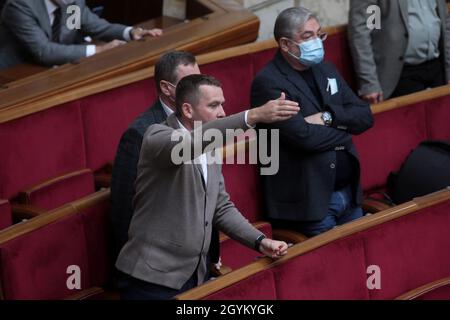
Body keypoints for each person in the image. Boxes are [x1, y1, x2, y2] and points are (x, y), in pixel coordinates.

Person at [115, 74, 299, 300]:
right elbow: (188, 146)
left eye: (222, 104)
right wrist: (254, 115)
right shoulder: (157, 136)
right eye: (214, 105)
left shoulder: (209, 148)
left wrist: (260, 241)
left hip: (194, 276)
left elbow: (220, 207)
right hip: (151, 281)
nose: (222, 112)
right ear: (188, 110)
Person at [251, 7, 373, 237]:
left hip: (349, 193)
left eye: (319, 34)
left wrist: (328, 118)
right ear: (285, 44)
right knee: (330, 269)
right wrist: (346, 130)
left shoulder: (326, 69)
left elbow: (364, 115)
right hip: (310, 203)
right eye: (308, 36)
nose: (317, 41)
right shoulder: (268, 83)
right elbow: (303, 137)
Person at [111, 51, 201, 262]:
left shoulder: (201, 123)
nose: (198, 89)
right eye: (190, 82)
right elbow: (124, 207)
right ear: (166, 88)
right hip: (156, 262)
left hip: (196, 254)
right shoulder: (139, 134)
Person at [0, 0, 162, 69]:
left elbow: (95, 26)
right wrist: (98, 51)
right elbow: (44, 52)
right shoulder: (20, 5)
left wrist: (130, 32)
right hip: (15, 76)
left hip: (55, 70)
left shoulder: (71, 3)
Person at [348, 0, 450, 103]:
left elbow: (446, 22)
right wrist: (369, 82)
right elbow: (361, 32)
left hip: (437, 67)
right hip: (399, 74)